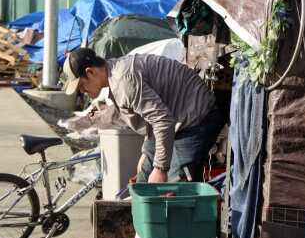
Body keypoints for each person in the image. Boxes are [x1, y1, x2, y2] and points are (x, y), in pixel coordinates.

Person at [63, 47, 223, 183]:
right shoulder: (115, 73)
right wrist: (147, 152)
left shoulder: (124, 82)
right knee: (143, 178)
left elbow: (162, 120)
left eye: (81, 86)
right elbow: (150, 116)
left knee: (175, 186)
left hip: (197, 118)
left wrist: (160, 168)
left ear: (90, 72)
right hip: (175, 118)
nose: (82, 92)